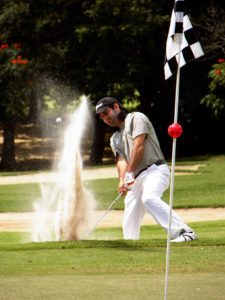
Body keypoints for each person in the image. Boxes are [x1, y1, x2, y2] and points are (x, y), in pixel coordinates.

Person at [95, 96, 197, 242]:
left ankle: (184, 232)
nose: (105, 118)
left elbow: (139, 146)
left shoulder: (136, 118)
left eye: (106, 113)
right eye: (101, 116)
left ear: (116, 107)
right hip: (136, 178)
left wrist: (129, 173)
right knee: (130, 213)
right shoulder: (115, 138)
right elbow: (121, 161)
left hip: (155, 170)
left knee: (149, 198)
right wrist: (122, 180)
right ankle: (131, 244)